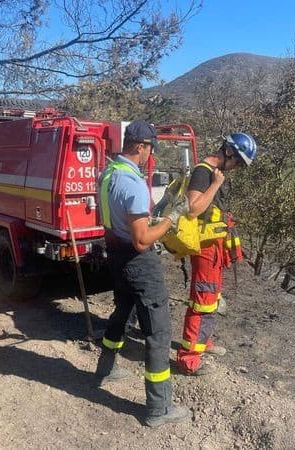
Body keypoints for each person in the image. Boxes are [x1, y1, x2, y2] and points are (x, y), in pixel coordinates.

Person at [95, 119, 191, 427]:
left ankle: (106, 367)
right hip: (137, 261)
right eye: (151, 149)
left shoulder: (109, 172)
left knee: (122, 311)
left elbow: (121, 218)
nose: (152, 155)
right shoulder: (133, 183)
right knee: (158, 332)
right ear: (141, 146)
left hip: (116, 255)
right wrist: (171, 218)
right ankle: (158, 408)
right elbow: (142, 239)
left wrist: (154, 214)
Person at [176, 133, 258, 376]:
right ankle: (189, 360)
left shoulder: (215, 172)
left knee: (212, 298)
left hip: (216, 247)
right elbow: (192, 208)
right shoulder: (204, 172)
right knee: (202, 302)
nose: (238, 168)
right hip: (205, 249)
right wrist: (215, 184)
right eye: (239, 162)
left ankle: (204, 343)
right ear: (229, 152)